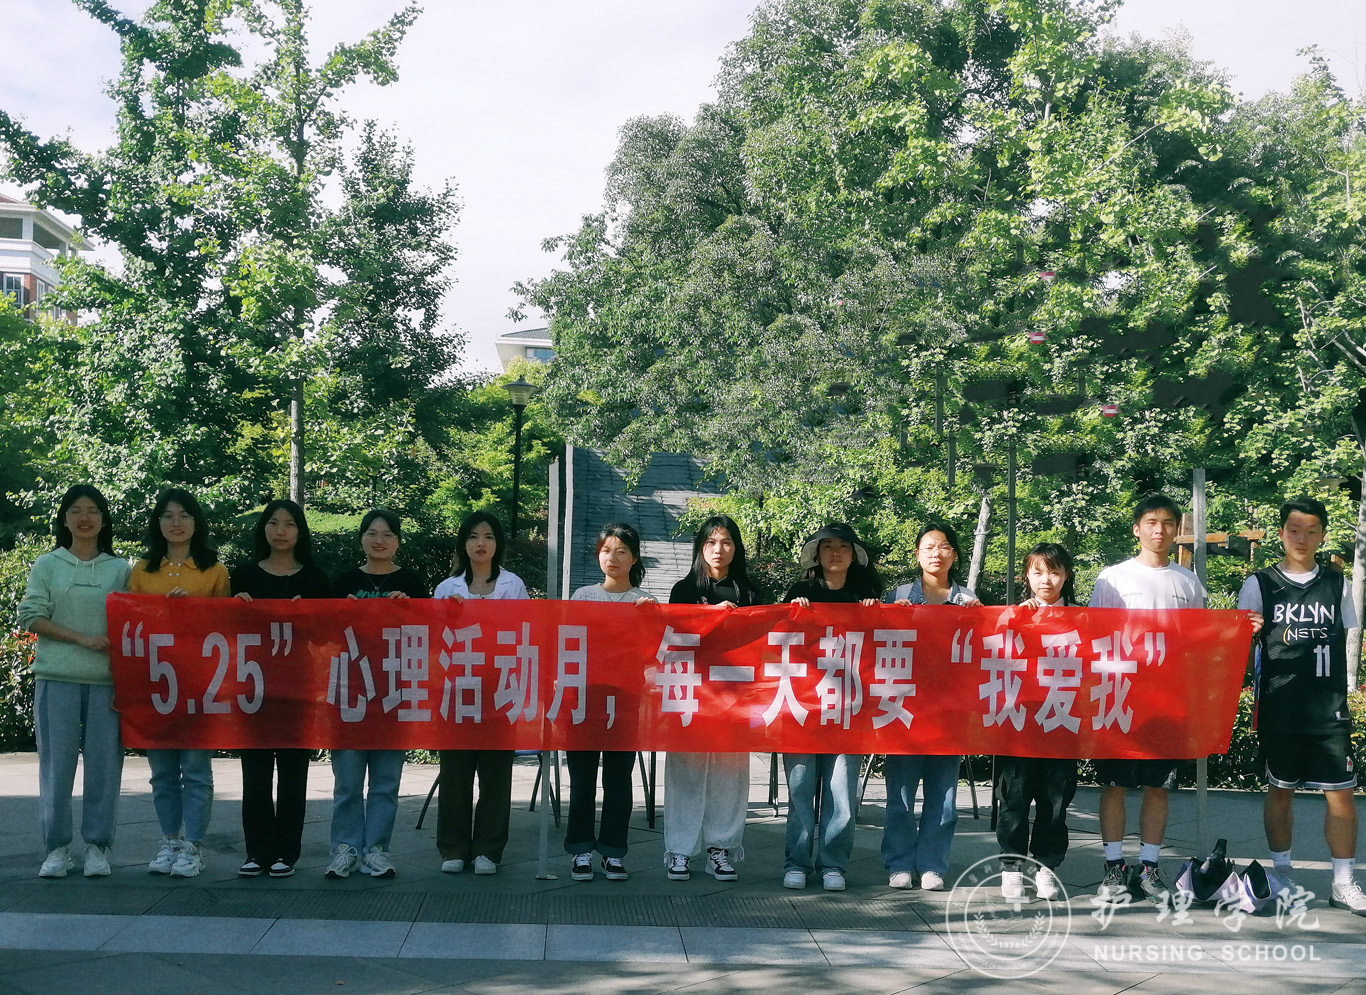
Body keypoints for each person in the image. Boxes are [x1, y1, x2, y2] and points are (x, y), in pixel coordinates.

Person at [1240, 495, 1366, 914]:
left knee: (1342, 795)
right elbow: (1239, 648)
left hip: (1328, 707)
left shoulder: (1336, 583)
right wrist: (1248, 633)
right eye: (1294, 530)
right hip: (1281, 705)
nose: (1302, 538)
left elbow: (1347, 637)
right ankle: (1282, 875)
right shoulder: (1259, 583)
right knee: (1280, 791)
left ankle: (1343, 883)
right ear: (1281, 533)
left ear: (1322, 535)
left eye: (1311, 531)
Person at [1090, 493, 1206, 903]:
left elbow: (1199, 639)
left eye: (1168, 523)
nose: (1160, 530)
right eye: (1152, 522)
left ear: (1177, 530)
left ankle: (1149, 868)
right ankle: (1113, 868)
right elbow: (1095, 635)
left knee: (1159, 786)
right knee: (1115, 784)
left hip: (1166, 699)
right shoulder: (1112, 578)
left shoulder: (1188, 582)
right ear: (1136, 529)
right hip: (1120, 695)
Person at [18, 485, 131, 878]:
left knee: (105, 767)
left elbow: (135, 626)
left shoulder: (120, 569)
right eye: (77, 510)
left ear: (103, 519)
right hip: (57, 678)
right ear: (64, 519)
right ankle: (56, 849)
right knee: (56, 766)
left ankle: (98, 847)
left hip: (106, 684)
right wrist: (81, 638)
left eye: (93, 510)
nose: (85, 518)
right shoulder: (47, 565)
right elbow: (30, 616)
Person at [129, 488, 230, 879]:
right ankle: (170, 840)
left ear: (196, 523)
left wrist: (194, 610)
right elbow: (130, 626)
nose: (176, 523)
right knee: (162, 772)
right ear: (158, 523)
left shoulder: (214, 570)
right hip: (155, 684)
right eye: (168, 515)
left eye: (184, 515)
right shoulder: (141, 571)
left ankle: (193, 846)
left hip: (200, 684)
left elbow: (227, 627)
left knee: (197, 769)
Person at [230, 499, 331, 878]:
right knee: (254, 772)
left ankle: (287, 852)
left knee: (293, 773)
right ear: (264, 529)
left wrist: (311, 614)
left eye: (289, 524)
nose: (281, 531)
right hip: (253, 685)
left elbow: (327, 637)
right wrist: (233, 608)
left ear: (300, 531)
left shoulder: (316, 579)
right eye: (273, 523)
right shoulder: (243, 576)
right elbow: (225, 631)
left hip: (298, 686)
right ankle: (256, 851)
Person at [326, 509, 428, 880]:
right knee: (347, 783)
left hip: (393, 693)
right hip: (350, 692)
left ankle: (377, 851)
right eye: (372, 533)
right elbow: (323, 637)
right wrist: (342, 613)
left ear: (398, 541)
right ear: (362, 539)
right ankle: (345, 850)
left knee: (386, 782)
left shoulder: (412, 583)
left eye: (387, 534)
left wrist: (408, 610)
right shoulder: (343, 582)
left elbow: (427, 637)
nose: (379, 540)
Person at [881, 521, 981, 891]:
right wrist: (891, 614)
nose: (936, 554)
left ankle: (933, 865)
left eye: (943, 547)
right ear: (917, 555)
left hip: (949, 714)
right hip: (903, 710)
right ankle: (899, 863)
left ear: (953, 554)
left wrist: (979, 617)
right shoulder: (898, 595)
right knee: (900, 795)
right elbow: (875, 645)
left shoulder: (967, 600)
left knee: (944, 796)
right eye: (928, 547)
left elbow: (980, 655)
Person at [664, 515, 764, 883]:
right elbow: (673, 637)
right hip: (691, 693)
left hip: (735, 695)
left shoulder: (749, 592)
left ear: (736, 548)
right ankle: (679, 849)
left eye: (726, 542)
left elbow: (764, 641)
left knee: (729, 774)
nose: (718, 549)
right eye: (710, 542)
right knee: (685, 773)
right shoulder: (683, 589)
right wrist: (707, 617)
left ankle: (720, 849)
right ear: (700, 547)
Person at [782, 522, 881, 892]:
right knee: (800, 790)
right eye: (827, 546)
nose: (835, 553)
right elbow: (779, 639)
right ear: (816, 554)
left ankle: (833, 864)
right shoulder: (801, 591)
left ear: (854, 555)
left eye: (843, 546)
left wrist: (876, 611)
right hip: (803, 708)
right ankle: (796, 862)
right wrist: (791, 611)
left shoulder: (866, 594)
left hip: (848, 711)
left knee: (841, 793)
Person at [433, 510, 528, 876]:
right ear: (464, 543)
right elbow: (434, 641)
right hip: (456, 691)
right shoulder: (447, 588)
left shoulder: (513, 585)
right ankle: (453, 848)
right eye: (473, 536)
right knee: (454, 773)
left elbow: (524, 633)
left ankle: (488, 849)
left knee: (495, 774)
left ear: (497, 544)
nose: (480, 543)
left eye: (488, 536)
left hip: (498, 688)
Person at [565, 522, 656, 882]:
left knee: (619, 778)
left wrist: (651, 620)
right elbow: (568, 643)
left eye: (621, 551)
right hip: (584, 696)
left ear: (634, 558)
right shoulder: (582, 596)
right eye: (606, 550)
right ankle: (581, 850)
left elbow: (652, 655)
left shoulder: (645, 601)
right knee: (582, 778)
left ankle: (613, 852)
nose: (612, 558)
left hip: (626, 698)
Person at [995, 542, 1080, 901]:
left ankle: (1046, 867)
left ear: (1066, 575)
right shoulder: (1012, 614)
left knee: (1055, 802)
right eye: (1038, 572)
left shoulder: (1083, 617)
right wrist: (1013, 619)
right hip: (1019, 722)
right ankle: (1011, 868)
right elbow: (988, 650)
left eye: (1054, 571)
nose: (1047, 580)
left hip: (1062, 721)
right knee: (1013, 799)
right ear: (1027, 576)